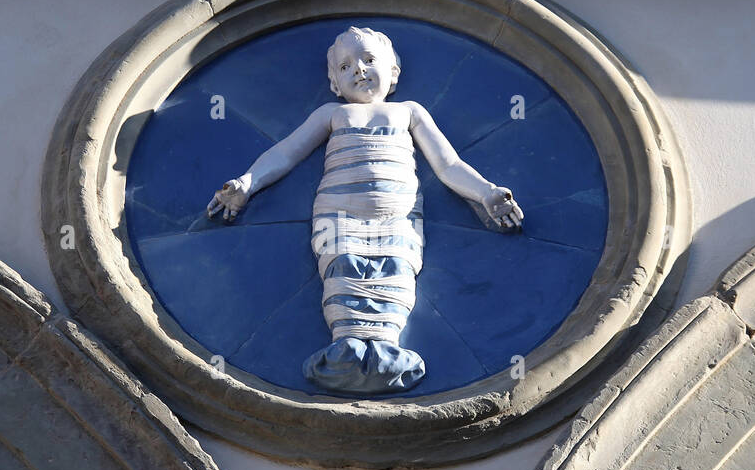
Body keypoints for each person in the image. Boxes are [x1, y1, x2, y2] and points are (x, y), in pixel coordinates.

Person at [207, 26, 523, 394]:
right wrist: (247, 183)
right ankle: (345, 352)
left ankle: (387, 353)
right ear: (335, 83)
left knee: (396, 272)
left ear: (393, 71)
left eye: (369, 60)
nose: (358, 69)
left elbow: (448, 164)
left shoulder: (408, 112)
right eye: (345, 66)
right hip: (339, 216)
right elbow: (286, 152)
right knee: (343, 270)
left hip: (397, 218)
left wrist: (485, 192)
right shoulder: (333, 114)